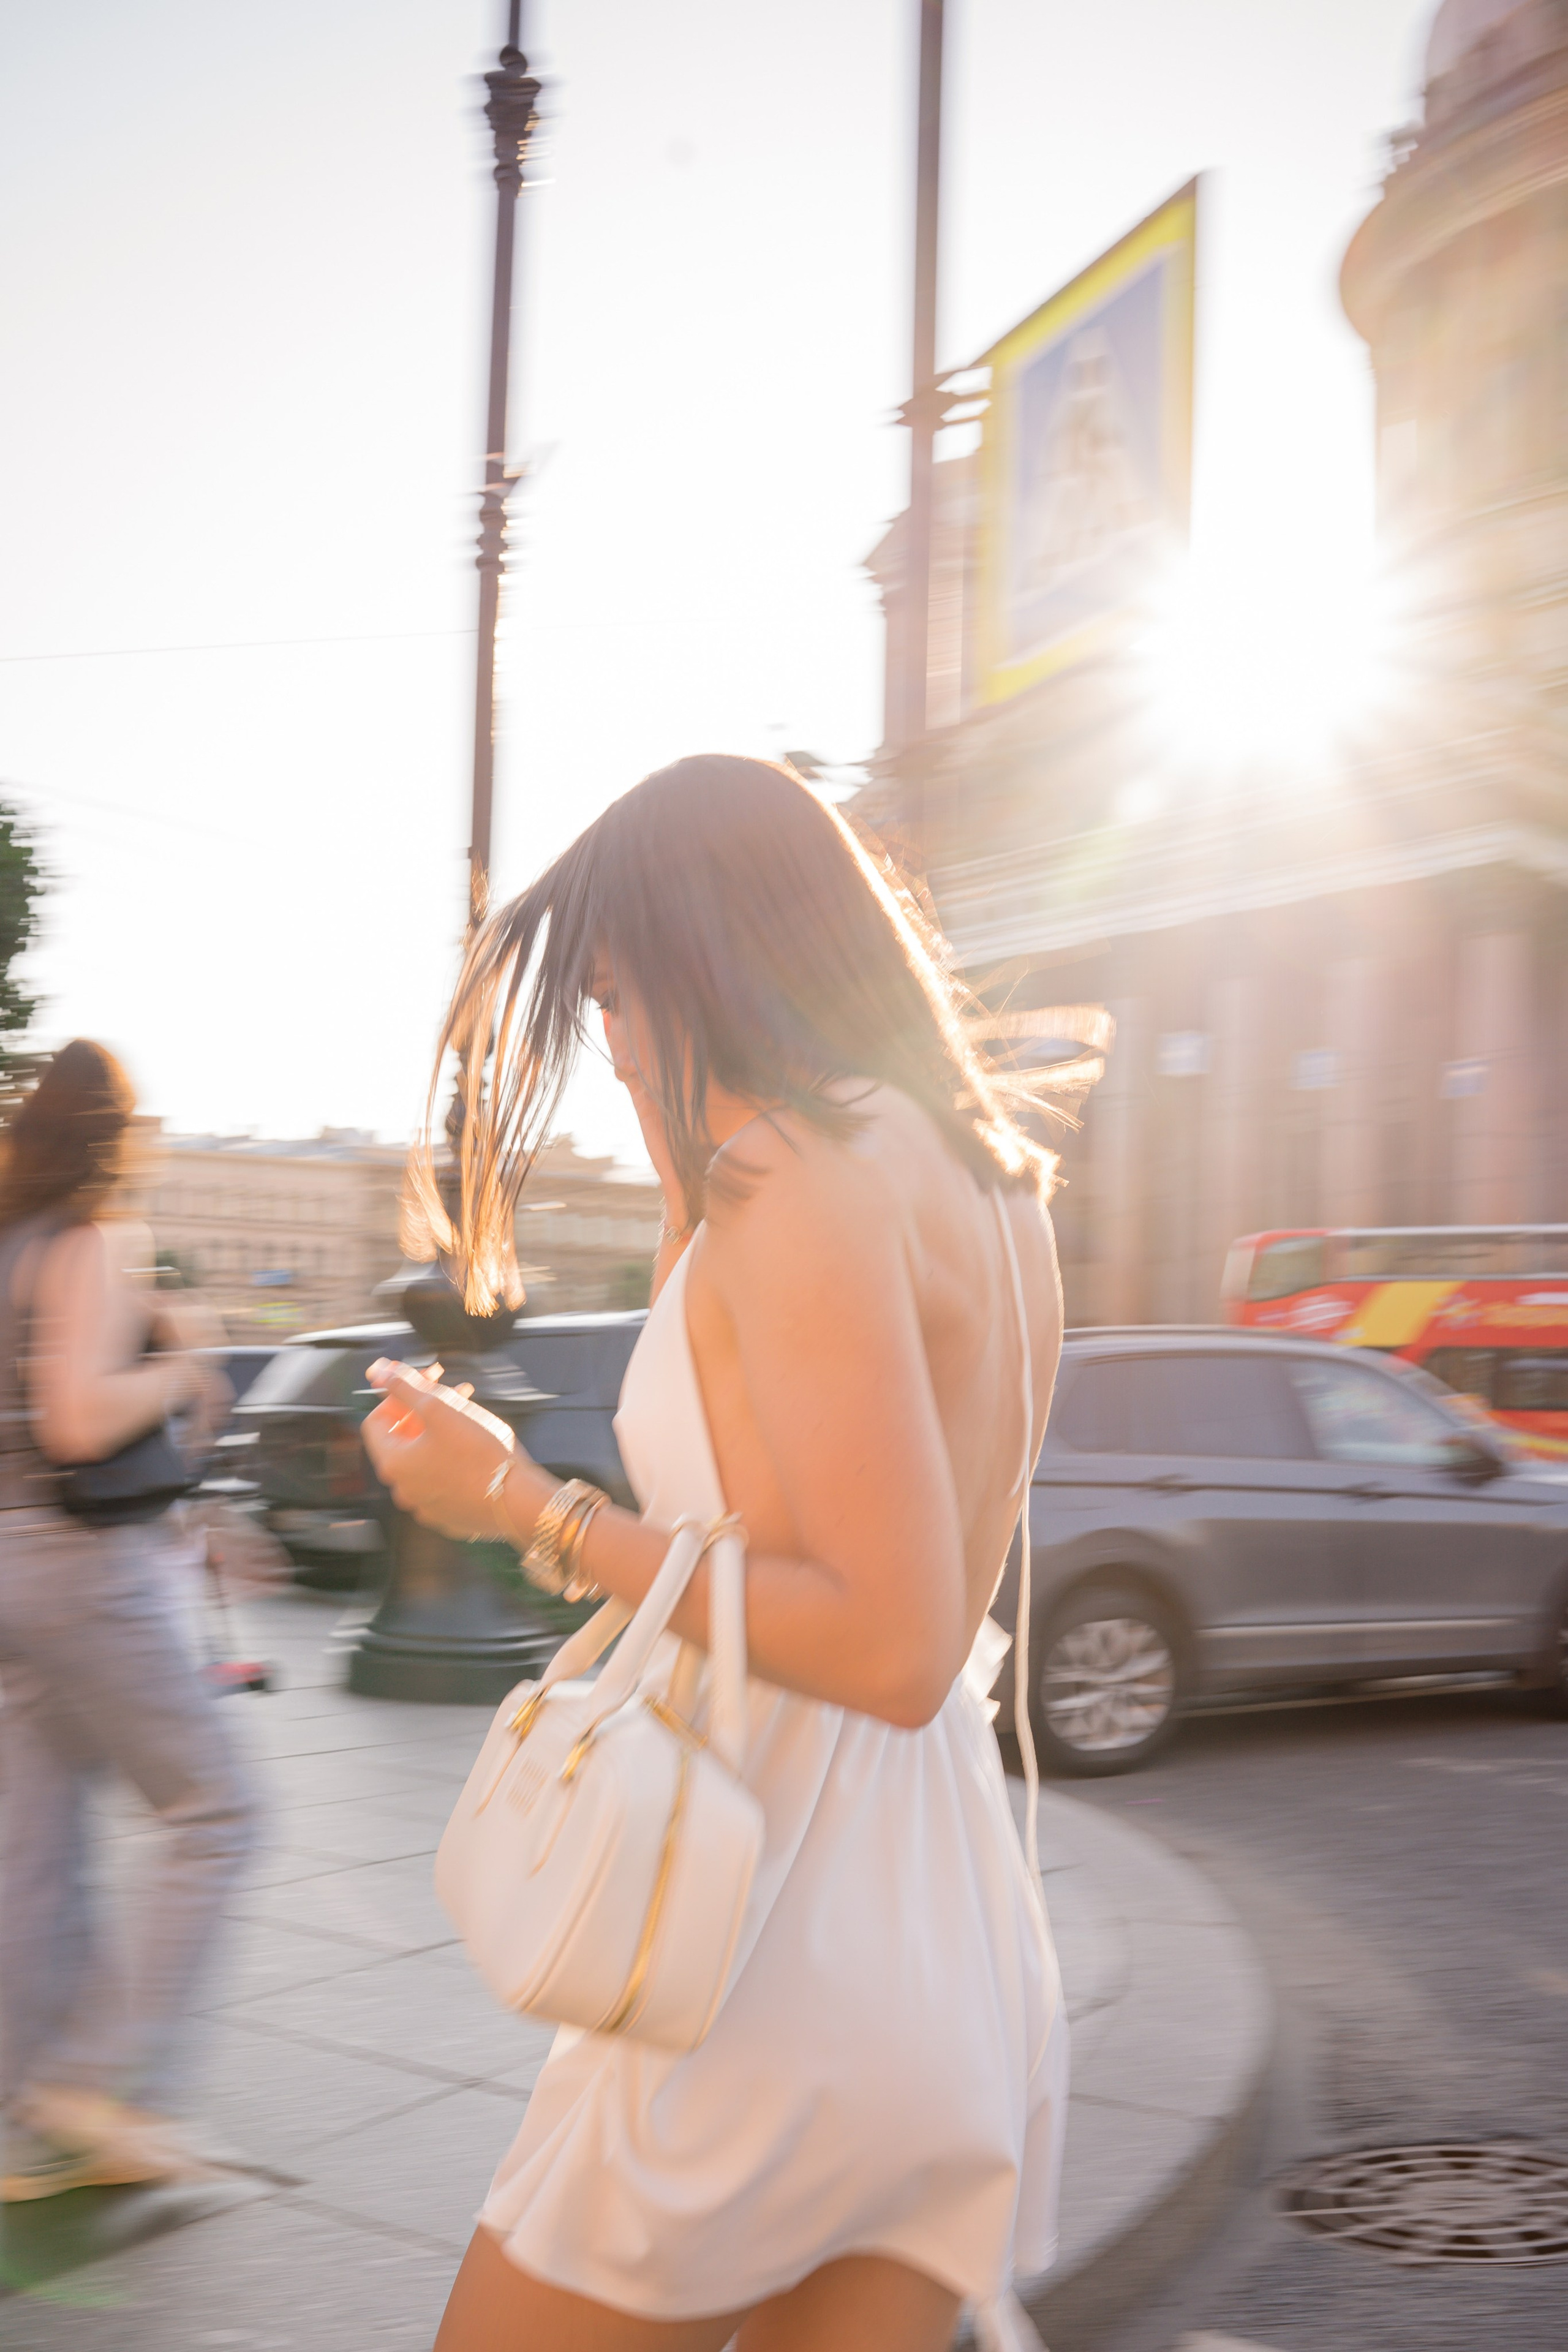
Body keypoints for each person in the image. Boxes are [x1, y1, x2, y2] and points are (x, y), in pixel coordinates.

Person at [364, 755, 1069, 2352]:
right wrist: (689, 1154)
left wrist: (519, 1503)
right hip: (938, 1934)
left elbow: (886, 1644)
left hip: (766, 1942)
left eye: (620, 996)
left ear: (715, 962)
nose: (612, 1044)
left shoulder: (797, 1183)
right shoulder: (985, 1183)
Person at [0, 1039, 257, 2199]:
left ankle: (27, 2114)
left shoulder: (11, 1241)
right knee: (218, 1813)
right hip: (82, 1568)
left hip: (9, 1567)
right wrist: (183, 1368)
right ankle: (107, 2093)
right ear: (116, 1135)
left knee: (37, 1848)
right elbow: (77, 1420)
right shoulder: (94, 1238)